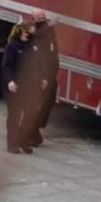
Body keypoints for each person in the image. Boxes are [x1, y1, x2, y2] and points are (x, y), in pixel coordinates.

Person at [2, 19, 42, 153]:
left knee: (30, 114)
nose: (34, 32)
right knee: (14, 115)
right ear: (24, 31)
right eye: (32, 30)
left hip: (29, 86)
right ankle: (12, 144)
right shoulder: (13, 46)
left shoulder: (34, 45)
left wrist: (42, 78)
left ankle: (23, 140)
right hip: (15, 87)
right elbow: (7, 66)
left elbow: (38, 64)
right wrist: (10, 81)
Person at [29, 8, 60, 147]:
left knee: (48, 102)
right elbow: (37, 35)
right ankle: (31, 133)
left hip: (50, 73)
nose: (42, 21)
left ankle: (34, 130)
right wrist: (48, 26)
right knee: (36, 105)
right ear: (33, 19)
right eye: (40, 19)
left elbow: (53, 48)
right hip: (39, 74)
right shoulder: (34, 29)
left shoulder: (48, 28)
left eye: (44, 18)